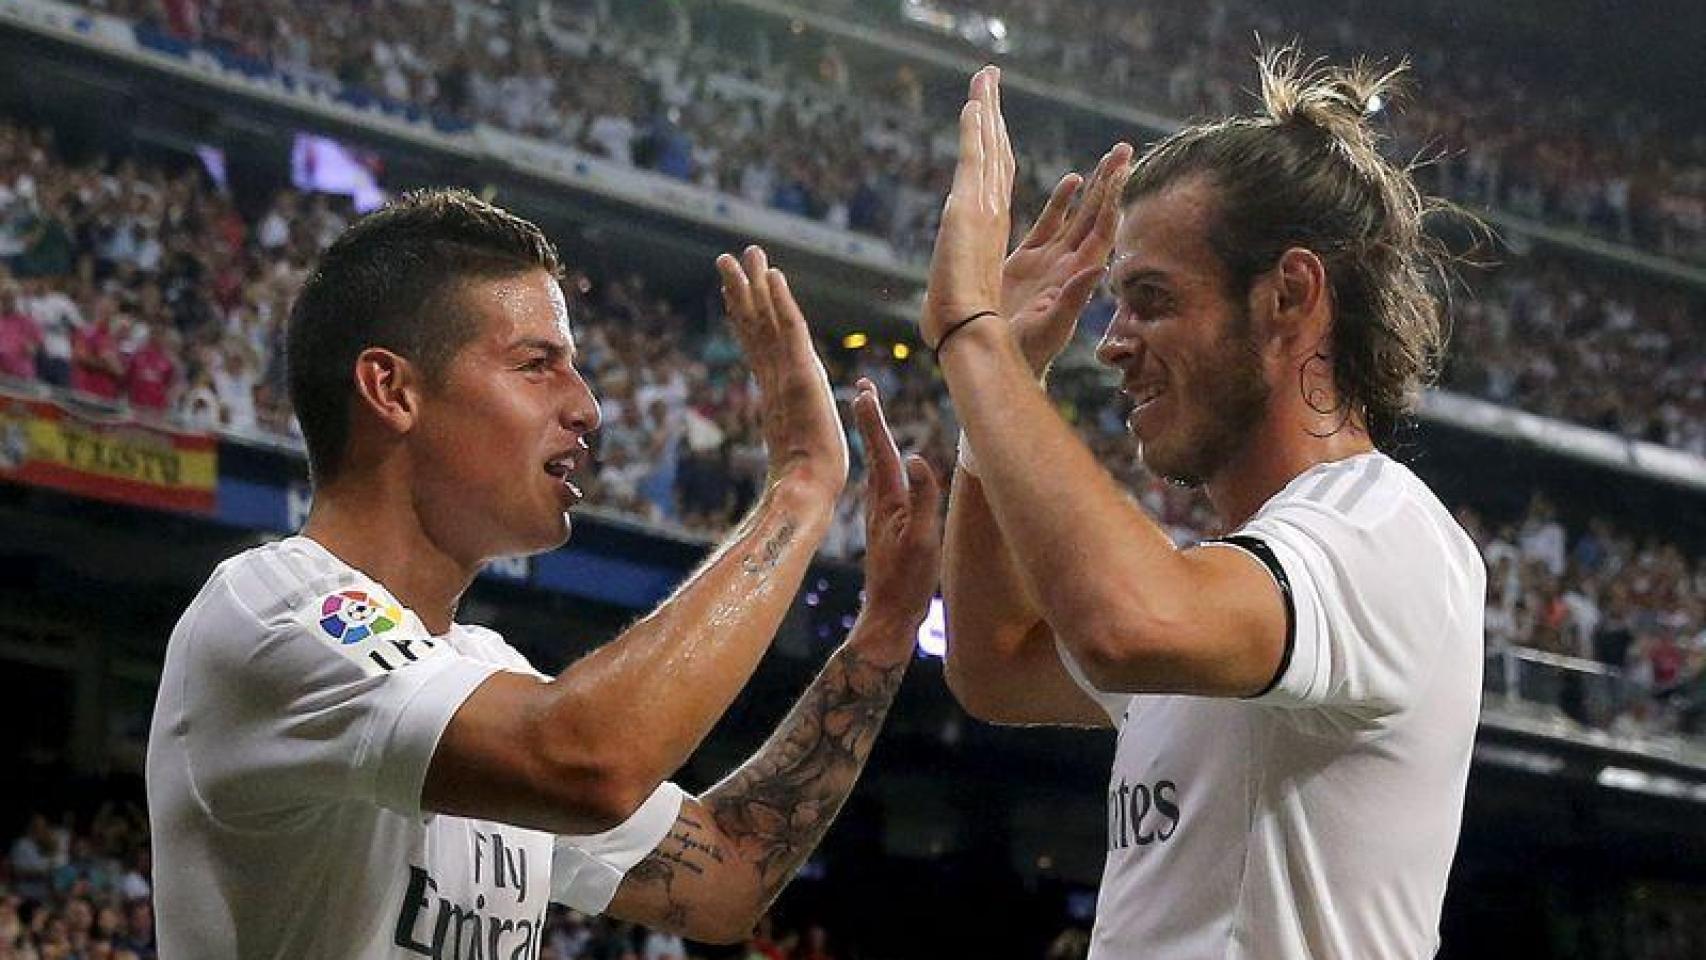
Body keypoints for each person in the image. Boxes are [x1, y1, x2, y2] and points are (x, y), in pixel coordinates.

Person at [146, 188, 943, 958]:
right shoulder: (275, 613)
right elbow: (586, 761)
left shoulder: (487, 672)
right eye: (538, 365)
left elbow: (726, 876)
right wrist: (798, 490)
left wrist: (880, 636)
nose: (587, 406)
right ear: (393, 390)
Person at [931, 57, 1486, 958]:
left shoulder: (1384, 532)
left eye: (1150, 299)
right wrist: (1004, 377)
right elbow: (993, 666)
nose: (1110, 344)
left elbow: (1125, 621)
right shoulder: (1228, 586)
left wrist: (973, 337)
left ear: (1290, 297)